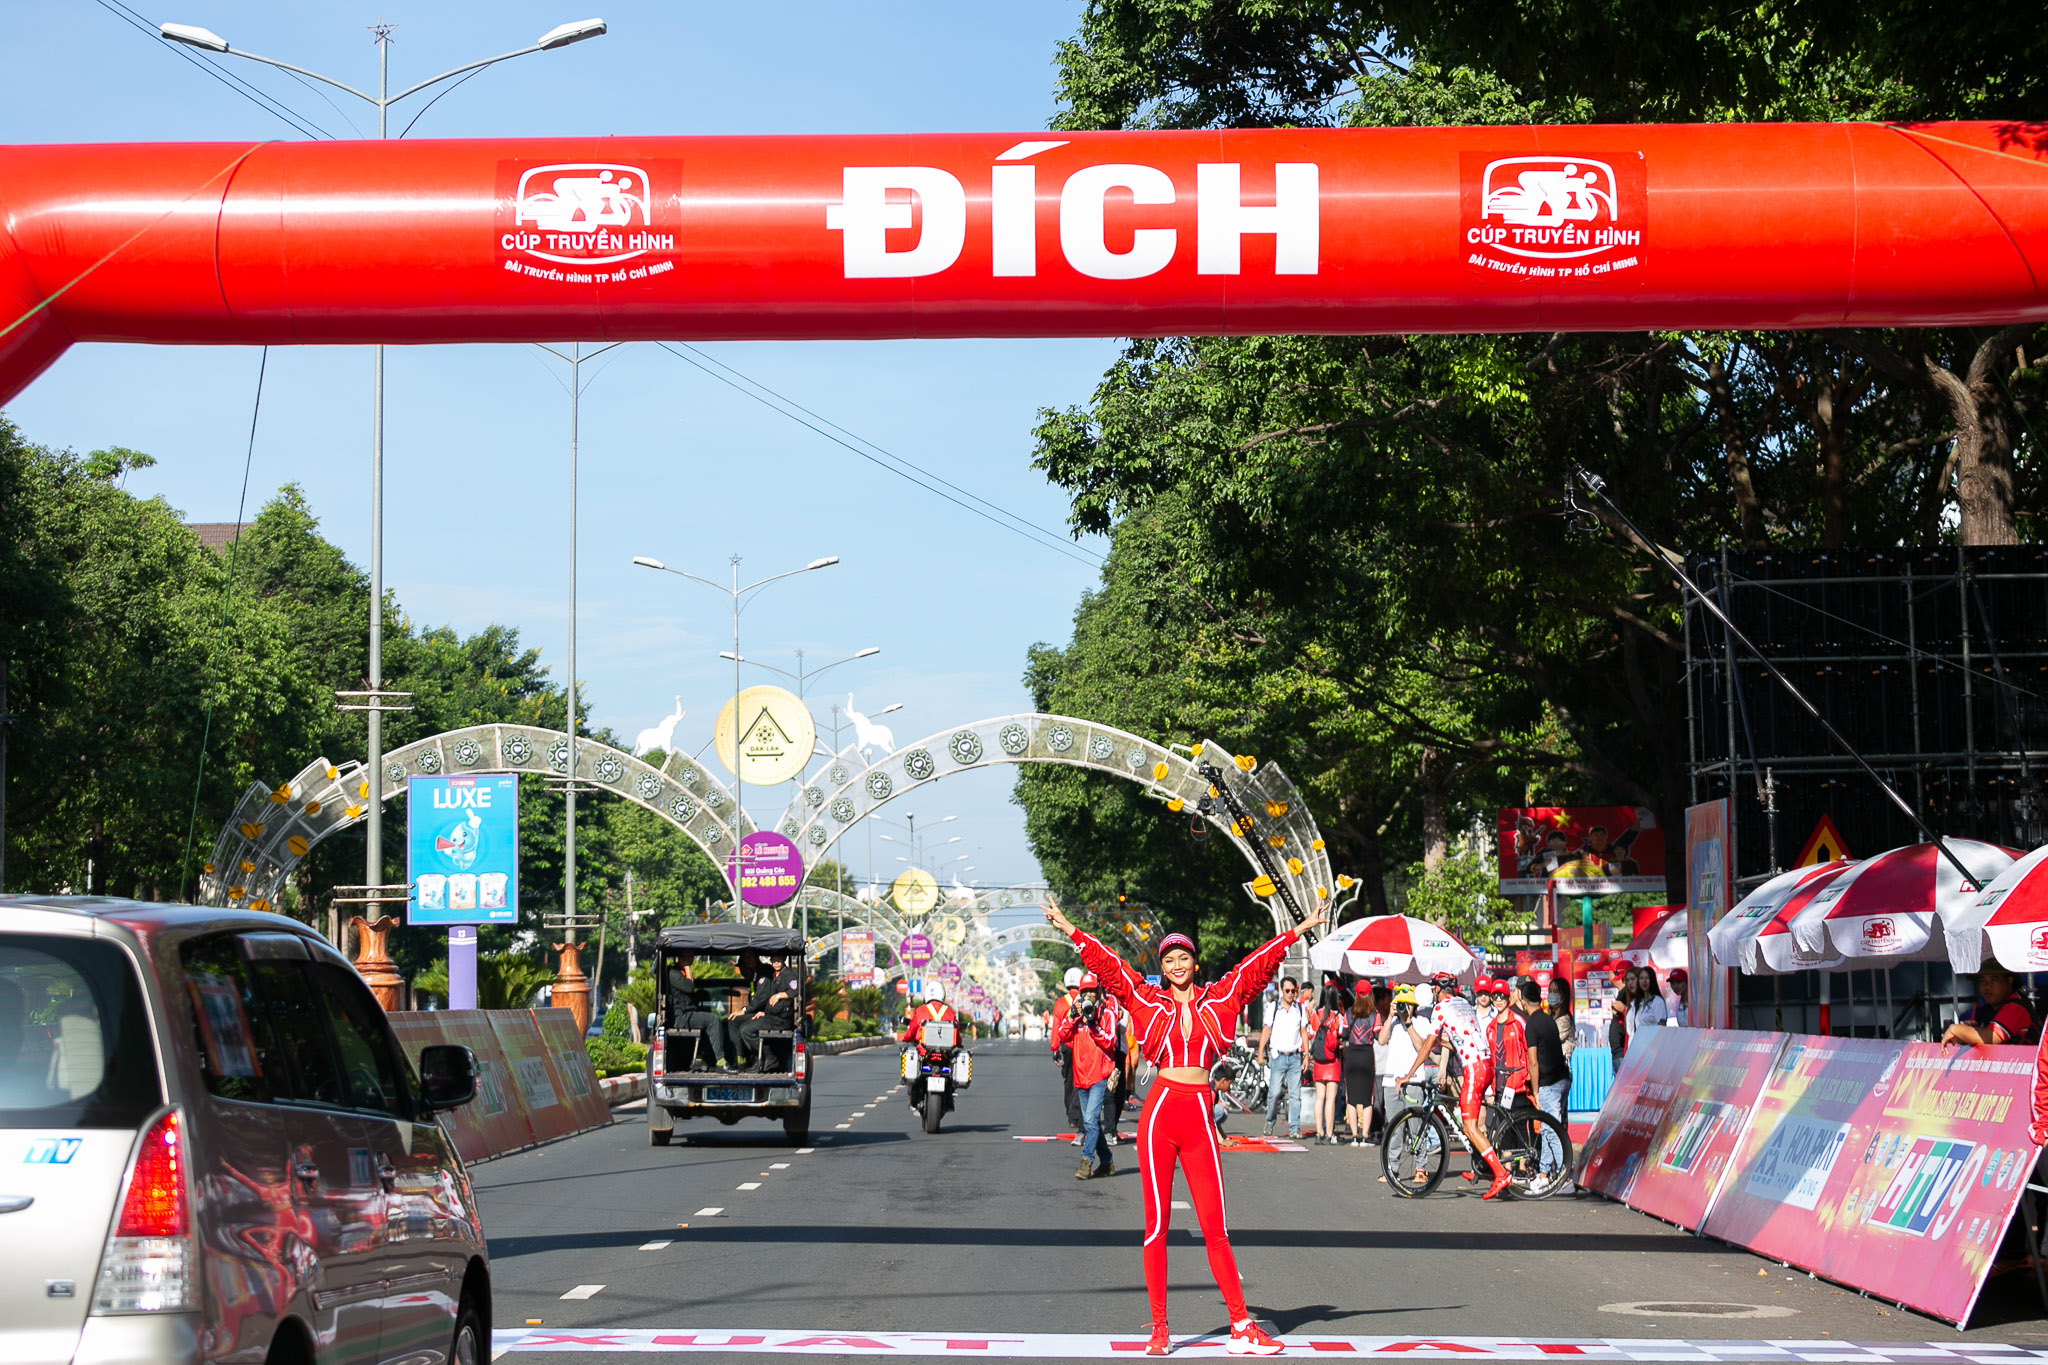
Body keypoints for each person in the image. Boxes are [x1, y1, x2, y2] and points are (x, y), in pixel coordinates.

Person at [1045, 896, 1325, 1357]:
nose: (1177, 965)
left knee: (1216, 1227)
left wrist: (1298, 930)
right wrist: (1072, 930)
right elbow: (1111, 966)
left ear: (1195, 962)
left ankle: (1241, 1326)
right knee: (1156, 1226)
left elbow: (1255, 966)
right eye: (1169, 960)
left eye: (1184, 958)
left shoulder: (1220, 997)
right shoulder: (1146, 999)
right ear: (1163, 966)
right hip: (1160, 1114)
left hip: (1199, 1114)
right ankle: (1159, 1329)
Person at [1394, 972, 1515, 1200]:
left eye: (1433, 989)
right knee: (1474, 1123)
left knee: (1469, 1127)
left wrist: (1408, 1075)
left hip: (1474, 1069)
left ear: (1437, 990)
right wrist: (1439, 1042)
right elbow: (1458, 1039)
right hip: (1486, 1065)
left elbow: (1428, 1045)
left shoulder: (1441, 1008)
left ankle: (1500, 1174)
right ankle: (1484, 1167)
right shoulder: (1464, 1003)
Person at [1052, 972, 1122, 1179]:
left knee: (1090, 1121)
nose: (1090, 995)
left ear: (1098, 991)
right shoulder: (1076, 1014)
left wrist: (1093, 1024)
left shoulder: (1107, 1013)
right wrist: (1072, 1017)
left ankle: (1086, 1161)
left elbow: (1109, 1041)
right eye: (1086, 991)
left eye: (1093, 990)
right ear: (1081, 994)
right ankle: (1107, 1162)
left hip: (1099, 1075)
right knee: (1092, 1124)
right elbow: (1063, 1035)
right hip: (1080, 1076)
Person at [1516, 977, 1573, 1191]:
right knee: (1549, 1127)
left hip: (1549, 1083)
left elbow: (1533, 1061)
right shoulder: (1548, 1020)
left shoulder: (1532, 1024)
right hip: (1562, 1078)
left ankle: (1565, 1177)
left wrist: (1535, 1090)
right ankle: (1544, 1173)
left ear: (1523, 1002)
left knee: (1551, 1130)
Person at [1257, 976, 1309, 1139]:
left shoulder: (1300, 1009)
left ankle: (1294, 1128)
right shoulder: (1273, 1008)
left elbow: (1304, 1032)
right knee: (1274, 1093)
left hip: (1295, 1057)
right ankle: (1270, 1120)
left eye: (1293, 991)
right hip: (1278, 1056)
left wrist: (1306, 1055)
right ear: (1282, 991)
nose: (1290, 994)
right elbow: (1266, 1030)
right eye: (1287, 991)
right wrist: (1260, 1052)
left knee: (1295, 1095)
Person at [664, 951, 732, 1069]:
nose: (689, 959)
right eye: (686, 957)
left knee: (712, 1024)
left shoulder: (680, 972)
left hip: (688, 1014)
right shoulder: (673, 973)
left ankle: (699, 1059)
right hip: (680, 1017)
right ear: (679, 958)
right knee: (713, 1020)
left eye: (691, 956)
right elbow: (689, 987)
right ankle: (720, 1061)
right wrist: (687, 968)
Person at [733, 951, 799, 1069]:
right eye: (774, 961)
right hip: (772, 1015)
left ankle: (768, 1057)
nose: (776, 963)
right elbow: (769, 999)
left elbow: (797, 990)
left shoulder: (788, 974)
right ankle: (759, 1058)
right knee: (744, 1027)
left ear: (784, 959)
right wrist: (764, 1012)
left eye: (779, 960)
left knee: (747, 1030)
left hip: (782, 1019)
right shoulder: (775, 975)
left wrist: (780, 995)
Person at [1944, 963, 2036, 1047]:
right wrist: (1961, 1033)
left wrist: (1955, 1029)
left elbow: (1989, 1038)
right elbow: (1966, 1036)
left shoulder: (2017, 1007)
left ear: (2009, 981)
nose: (1987, 986)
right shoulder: (1986, 1009)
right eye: (1982, 981)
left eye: (1994, 980)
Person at [1307, 981, 1345, 1144]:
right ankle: (1329, 1134)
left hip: (1318, 1060)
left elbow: (1310, 1034)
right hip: (1333, 1060)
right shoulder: (1338, 1017)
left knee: (1319, 1098)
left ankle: (1319, 1133)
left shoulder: (1315, 1015)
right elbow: (1341, 1036)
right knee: (1330, 1099)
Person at [1341, 983, 1378, 1147]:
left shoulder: (1348, 1013)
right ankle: (1364, 1136)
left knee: (1351, 1098)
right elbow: (1378, 1036)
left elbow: (1344, 1036)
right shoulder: (1374, 1015)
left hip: (1351, 1055)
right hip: (1367, 1055)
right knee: (1367, 1099)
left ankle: (1354, 1136)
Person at [1051, 966, 1085, 1132]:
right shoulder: (1085, 1001)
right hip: (1083, 1045)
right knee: (1082, 1080)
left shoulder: (1059, 1003)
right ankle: (1077, 1114)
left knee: (1069, 1080)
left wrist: (1054, 1049)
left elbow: (1056, 1028)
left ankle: (1071, 1116)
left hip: (1067, 1047)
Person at [1631, 967, 1671, 1032]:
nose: (1644, 981)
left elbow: (1662, 1027)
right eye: (1641, 978)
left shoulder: (1658, 1001)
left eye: (1647, 978)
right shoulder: (1639, 1002)